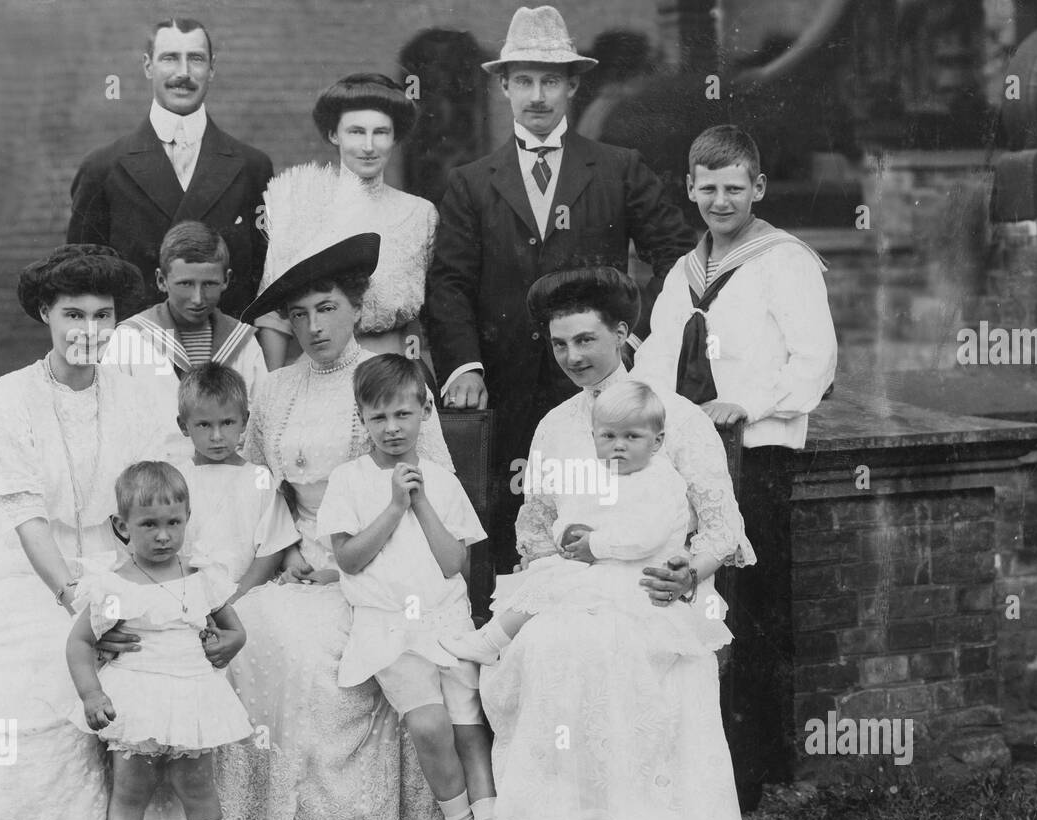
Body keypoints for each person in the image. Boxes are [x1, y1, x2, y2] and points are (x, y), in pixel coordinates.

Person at [476, 266, 755, 820]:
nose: (573, 357)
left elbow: (721, 529)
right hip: (576, 589)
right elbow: (536, 529)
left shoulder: (676, 418)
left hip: (660, 589)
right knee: (548, 650)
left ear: (623, 334)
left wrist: (688, 573)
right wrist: (561, 574)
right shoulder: (554, 426)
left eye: (586, 340)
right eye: (559, 344)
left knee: (634, 658)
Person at [426, 4, 697, 570]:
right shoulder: (472, 183)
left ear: (573, 85)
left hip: (602, 384)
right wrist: (465, 366)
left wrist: (633, 335)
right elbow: (449, 282)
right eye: (523, 80)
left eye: (551, 80)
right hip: (507, 382)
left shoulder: (618, 167)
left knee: (599, 508)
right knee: (515, 514)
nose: (537, 95)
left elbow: (676, 254)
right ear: (503, 86)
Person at [213, 231, 451, 820]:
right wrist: (289, 548)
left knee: (311, 645)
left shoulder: (385, 380)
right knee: (256, 626)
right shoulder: (275, 390)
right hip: (301, 560)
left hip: (381, 562)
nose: (314, 326)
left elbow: (429, 491)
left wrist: (346, 561)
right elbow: (263, 485)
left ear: (356, 306)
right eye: (299, 314)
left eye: (327, 308)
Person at [0, 245, 161, 820]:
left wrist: (128, 597)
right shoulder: (7, 398)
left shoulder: (141, 390)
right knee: (20, 677)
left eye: (104, 315)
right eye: (73, 315)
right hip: (31, 573)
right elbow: (26, 519)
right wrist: (79, 608)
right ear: (44, 314)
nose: (89, 332)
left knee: (159, 654)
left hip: (119, 559)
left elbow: (151, 503)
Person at [632, 124, 838, 802]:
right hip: (690, 458)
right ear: (690, 189)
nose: (721, 200)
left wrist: (743, 403)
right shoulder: (682, 272)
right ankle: (692, 761)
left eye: (734, 187)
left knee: (754, 603)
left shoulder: (786, 261)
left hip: (757, 451)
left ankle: (759, 770)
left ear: (758, 188)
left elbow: (814, 361)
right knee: (688, 592)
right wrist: (659, 421)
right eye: (708, 187)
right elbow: (659, 359)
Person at [318, 354, 496, 820]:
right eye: (378, 418)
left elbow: (453, 563)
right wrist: (395, 505)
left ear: (424, 412)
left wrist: (420, 503)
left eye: (403, 414)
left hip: (446, 621)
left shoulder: (441, 480)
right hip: (389, 627)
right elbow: (349, 560)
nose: (392, 429)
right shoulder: (348, 480)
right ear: (362, 419)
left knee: (470, 728)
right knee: (429, 724)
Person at [66, 461, 252, 820]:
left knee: (196, 781)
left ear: (187, 520)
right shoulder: (113, 584)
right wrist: (92, 693)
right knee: (132, 784)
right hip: (137, 690)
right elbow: (79, 643)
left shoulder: (201, 575)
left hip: (190, 688)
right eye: (149, 524)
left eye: (174, 523)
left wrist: (229, 643)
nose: (163, 536)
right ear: (122, 526)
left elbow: (235, 629)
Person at [441, 380, 724, 662]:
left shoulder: (661, 480)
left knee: (558, 587)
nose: (619, 446)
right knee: (545, 577)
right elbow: (574, 511)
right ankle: (491, 641)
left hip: (640, 572)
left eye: (632, 437)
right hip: (599, 563)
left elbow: (648, 534)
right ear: (594, 436)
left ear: (657, 441)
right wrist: (568, 534)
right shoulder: (595, 472)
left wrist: (596, 544)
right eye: (608, 436)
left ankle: (491, 641)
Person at [68, 18, 273, 321]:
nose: (184, 73)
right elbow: (81, 284)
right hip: (134, 358)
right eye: (170, 58)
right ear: (148, 66)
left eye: (196, 59)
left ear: (212, 68)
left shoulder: (253, 168)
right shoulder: (102, 169)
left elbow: (265, 282)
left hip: (225, 356)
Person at [246, 73, 437, 375]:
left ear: (395, 137)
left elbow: (431, 316)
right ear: (335, 135)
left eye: (381, 132)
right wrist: (273, 384)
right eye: (356, 132)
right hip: (318, 372)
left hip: (393, 375)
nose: (369, 146)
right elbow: (275, 319)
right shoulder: (301, 205)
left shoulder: (420, 214)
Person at [108, 221, 267, 464]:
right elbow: (112, 424)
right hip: (157, 486)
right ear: (161, 280)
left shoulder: (242, 342)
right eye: (185, 284)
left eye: (209, 284)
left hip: (229, 482)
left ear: (226, 279)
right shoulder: (130, 338)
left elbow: (259, 423)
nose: (197, 298)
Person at [175, 363, 299, 602]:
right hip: (186, 595)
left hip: (246, 595)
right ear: (184, 426)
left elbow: (272, 548)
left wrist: (238, 595)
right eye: (204, 425)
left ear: (244, 421)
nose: (217, 436)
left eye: (227, 423)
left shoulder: (259, 479)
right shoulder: (175, 479)